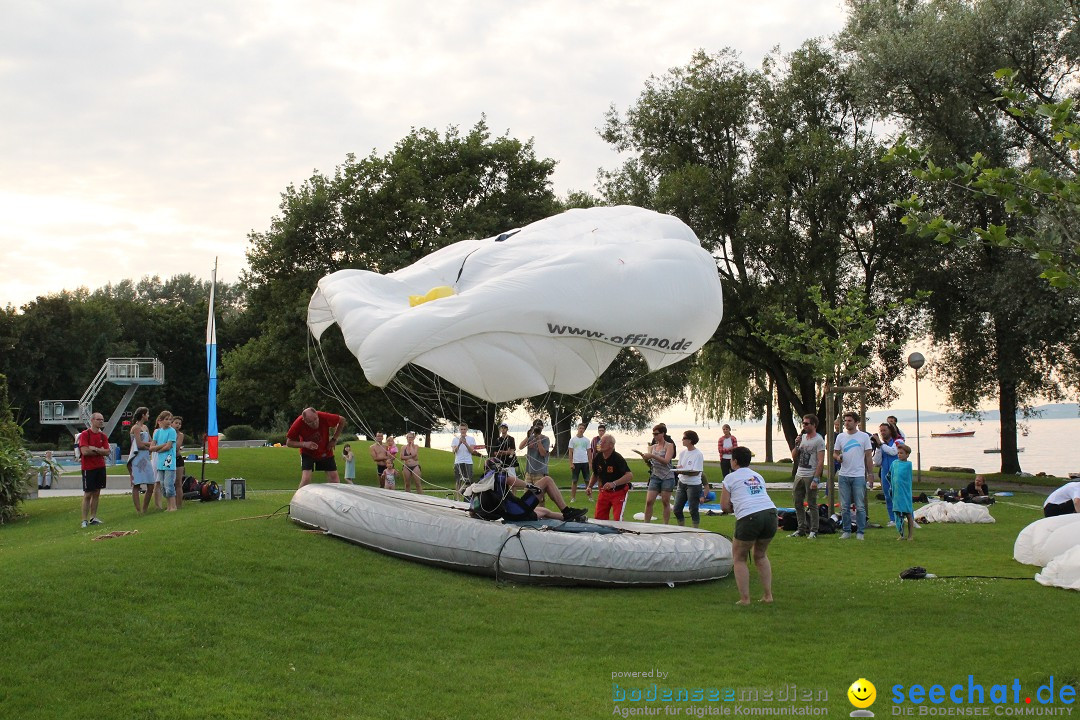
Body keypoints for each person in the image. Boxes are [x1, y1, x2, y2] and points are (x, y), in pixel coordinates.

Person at [721, 446, 777, 605]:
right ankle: (768, 596)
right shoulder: (757, 476)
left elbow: (724, 506)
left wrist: (733, 507)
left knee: (739, 557)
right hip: (771, 514)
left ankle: (745, 599)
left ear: (735, 461)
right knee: (760, 555)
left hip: (750, 516)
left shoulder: (730, 478)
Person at [469, 465, 587, 522]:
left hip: (510, 514)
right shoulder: (497, 477)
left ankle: (575, 519)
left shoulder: (480, 485)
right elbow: (511, 480)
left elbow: (472, 508)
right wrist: (530, 486)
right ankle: (567, 511)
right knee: (547, 480)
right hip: (518, 511)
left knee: (544, 511)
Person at [833, 412, 874, 540]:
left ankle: (860, 532)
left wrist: (870, 474)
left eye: (849, 420)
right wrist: (838, 457)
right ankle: (846, 530)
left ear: (856, 422)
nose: (846, 423)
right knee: (844, 506)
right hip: (844, 475)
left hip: (858, 475)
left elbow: (868, 456)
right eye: (845, 420)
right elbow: (834, 453)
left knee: (860, 506)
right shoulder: (840, 437)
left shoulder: (863, 437)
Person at [285, 407, 346, 488]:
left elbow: (342, 420)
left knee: (334, 480)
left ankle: (332, 499)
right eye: (310, 422)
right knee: (306, 479)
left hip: (325, 450)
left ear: (317, 414)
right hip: (307, 452)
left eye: (316, 420)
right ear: (304, 421)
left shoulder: (323, 416)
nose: (315, 424)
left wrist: (334, 439)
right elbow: (289, 443)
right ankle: (299, 499)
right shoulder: (298, 423)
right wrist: (305, 444)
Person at [790, 414, 825, 539]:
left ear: (814, 425)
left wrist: (816, 478)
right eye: (803, 423)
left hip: (810, 475)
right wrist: (797, 445)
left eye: (806, 423)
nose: (804, 426)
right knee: (797, 502)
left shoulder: (819, 440)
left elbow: (821, 461)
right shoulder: (802, 437)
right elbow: (794, 456)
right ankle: (801, 529)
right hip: (800, 473)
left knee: (812, 503)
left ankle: (814, 530)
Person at [635, 423, 675, 524]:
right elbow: (650, 464)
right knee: (649, 501)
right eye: (653, 434)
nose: (655, 436)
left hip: (667, 477)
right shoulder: (652, 447)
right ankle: (646, 524)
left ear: (663, 433)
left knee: (665, 502)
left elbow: (666, 461)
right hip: (655, 476)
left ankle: (665, 525)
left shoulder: (669, 446)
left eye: (657, 434)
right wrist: (645, 458)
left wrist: (652, 456)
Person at [586, 435, 633, 521]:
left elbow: (629, 475)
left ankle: (620, 533)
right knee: (599, 519)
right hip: (604, 492)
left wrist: (613, 483)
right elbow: (595, 473)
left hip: (619, 492)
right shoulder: (598, 457)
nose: (601, 444)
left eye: (604, 442)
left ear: (611, 445)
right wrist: (590, 486)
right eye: (600, 442)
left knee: (617, 519)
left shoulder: (617, 458)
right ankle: (601, 534)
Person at [79, 412, 110, 528]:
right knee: (88, 494)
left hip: (100, 467)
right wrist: (99, 450)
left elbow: (107, 451)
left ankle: (93, 517)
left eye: (102, 419)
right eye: (98, 419)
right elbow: (85, 451)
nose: (101, 421)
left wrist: (95, 449)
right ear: (92, 420)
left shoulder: (103, 436)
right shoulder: (85, 435)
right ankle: (84, 519)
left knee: (97, 492)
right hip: (88, 468)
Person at [672, 429, 705, 528]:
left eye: (684, 438)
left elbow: (696, 472)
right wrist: (676, 469)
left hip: (693, 485)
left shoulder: (698, 454)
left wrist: (683, 471)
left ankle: (695, 530)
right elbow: (680, 466)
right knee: (677, 509)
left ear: (690, 440)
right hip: (682, 483)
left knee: (693, 509)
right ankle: (681, 529)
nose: (682, 440)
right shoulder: (682, 453)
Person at [149, 410, 178, 512]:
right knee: (162, 484)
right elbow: (151, 447)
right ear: (160, 420)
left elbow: (169, 446)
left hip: (169, 460)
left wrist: (158, 449)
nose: (168, 421)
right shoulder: (158, 432)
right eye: (166, 419)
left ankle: (173, 506)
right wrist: (161, 446)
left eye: (170, 419)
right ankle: (168, 506)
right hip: (160, 461)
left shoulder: (172, 431)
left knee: (169, 483)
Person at [127, 407, 155, 514]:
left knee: (150, 484)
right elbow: (139, 444)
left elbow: (151, 441)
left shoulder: (145, 427)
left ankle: (145, 508)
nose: (148, 416)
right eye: (147, 414)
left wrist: (150, 446)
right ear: (143, 415)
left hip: (146, 458)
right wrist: (150, 447)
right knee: (137, 484)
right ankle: (138, 510)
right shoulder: (136, 428)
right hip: (137, 458)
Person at [887, 443, 915, 540]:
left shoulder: (908, 465)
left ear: (907, 454)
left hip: (905, 493)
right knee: (898, 513)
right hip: (896, 493)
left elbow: (907, 479)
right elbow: (890, 474)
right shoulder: (894, 463)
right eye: (898, 453)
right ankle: (902, 534)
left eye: (902, 453)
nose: (899, 455)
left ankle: (910, 535)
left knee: (908, 513)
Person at [878, 423, 900, 527]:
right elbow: (877, 461)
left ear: (890, 431)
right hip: (884, 472)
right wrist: (877, 447)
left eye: (884, 430)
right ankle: (892, 519)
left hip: (896, 472)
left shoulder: (897, 441)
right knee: (887, 496)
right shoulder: (881, 445)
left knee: (898, 496)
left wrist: (881, 445)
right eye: (881, 431)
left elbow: (893, 452)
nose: (882, 433)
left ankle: (904, 517)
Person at [518, 419, 550, 488]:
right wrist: (528, 436)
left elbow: (543, 454)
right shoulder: (530, 438)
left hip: (540, 472)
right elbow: (520, 447)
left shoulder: (545, 439)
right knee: (527, 493)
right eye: (536, 427)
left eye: (539, 427)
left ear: (542, 427)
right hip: (529, 472)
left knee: (539, 494)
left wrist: (538, 440)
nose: (537, 429)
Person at [451, 423, 479, 497]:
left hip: (468, 462)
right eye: (461, 429)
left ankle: (468, 497)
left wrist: (466, 443)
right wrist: (459, 443)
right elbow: (454, 451)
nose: (463, 431)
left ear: (467, 430)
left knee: (468, 481)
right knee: (458, 481)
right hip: (458, 462)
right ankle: (458, 497)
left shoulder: (471, 439)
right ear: (459, 430)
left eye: (464, 429)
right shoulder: (455, 439)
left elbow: (471, 451)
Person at [566, 423, 591, 503]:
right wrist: (571, 463)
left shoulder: (586, 440)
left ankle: (590, 497)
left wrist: (590, 463)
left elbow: (589, 452)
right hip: (576, 462)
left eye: (583, 428)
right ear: (578, 429)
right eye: (580, 428)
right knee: (574, 481)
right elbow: (570, 452)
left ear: (584, 430)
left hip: (585, 462)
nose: (581, 430)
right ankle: (573, 498)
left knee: (587, 480)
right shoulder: (572, 440)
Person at [171, 415, 186, 509]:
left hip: (177, 459)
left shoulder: (180, 435)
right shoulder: (167, 433)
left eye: (179, 424)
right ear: (171, 423)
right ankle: (171, 504)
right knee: (169, 483)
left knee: (178, 482)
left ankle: (179, 504)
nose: (178, 425)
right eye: (176, 423)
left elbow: (176, 448)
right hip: (169, 459)